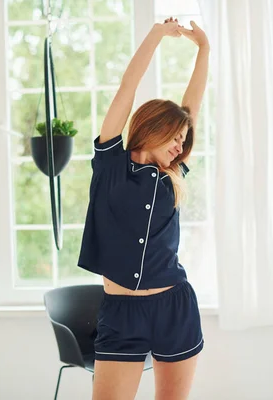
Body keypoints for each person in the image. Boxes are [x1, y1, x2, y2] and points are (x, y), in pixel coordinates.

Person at [77, 16, 210, 400]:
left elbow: (193, 104)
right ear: (153, 127)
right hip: (121, 312)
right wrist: (155, 36)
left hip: (174, 307)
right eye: (175, 137)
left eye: (184, 140)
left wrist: (204, 49)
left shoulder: (173, 174)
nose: (179, 147)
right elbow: (127, 87)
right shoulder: (111, 164)